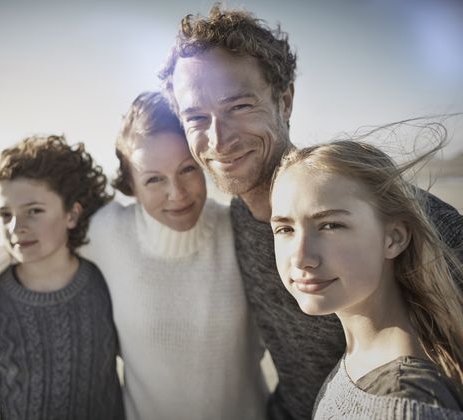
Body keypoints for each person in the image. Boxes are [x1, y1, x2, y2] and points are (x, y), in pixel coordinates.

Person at [157, 5, 463, 419]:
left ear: (285, 101)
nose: (219, 139)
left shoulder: (385, 211)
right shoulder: (237, 220)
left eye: (240, 107)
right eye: (196, 117)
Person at [0, 92, 268, 420]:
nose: (177, 193)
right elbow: (33, 233)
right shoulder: (108, 232)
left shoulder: (238, 228)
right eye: (153, 179)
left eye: (187, 169)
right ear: (131, 184)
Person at [270, 139, 463, 418]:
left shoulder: (406, 403)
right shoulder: (362, 356)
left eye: (330, 225)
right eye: (285, 229)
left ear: (393, 238)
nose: (301, 258)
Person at [0, 135, 124, 420]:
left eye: (34, 211)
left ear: (71, 214)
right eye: (5, 214)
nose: (17, 227)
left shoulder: (104, 283)